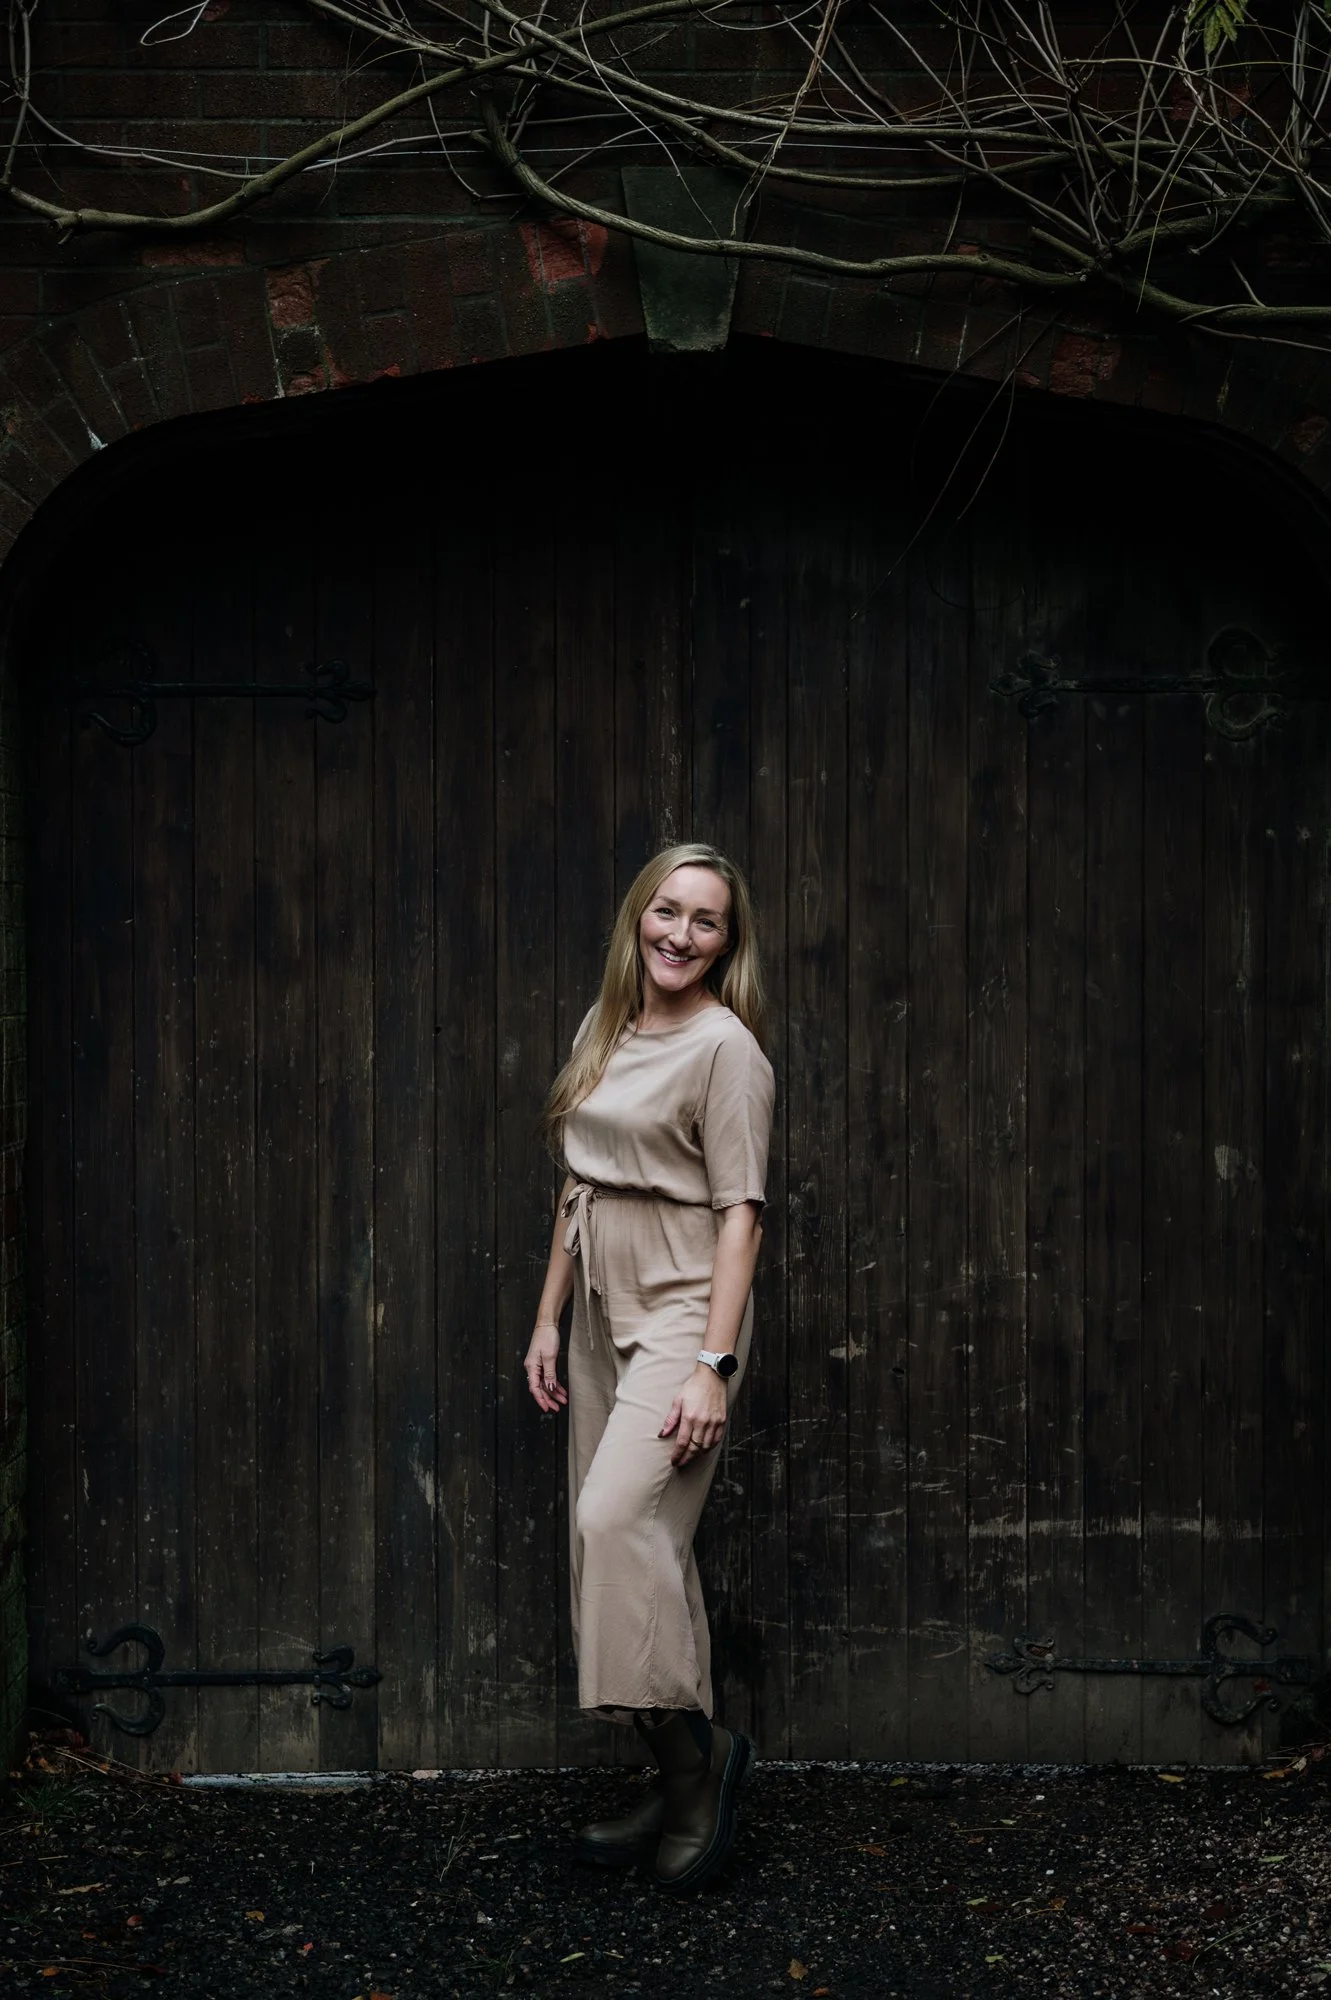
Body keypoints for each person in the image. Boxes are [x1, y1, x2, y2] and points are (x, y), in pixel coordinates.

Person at [524, 841, 775, 1896]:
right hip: (594, 1303)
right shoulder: (604, 1025)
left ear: (728, 941)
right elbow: (576, 1185)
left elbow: (741, 1215)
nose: (678, 933)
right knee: (618, 1552)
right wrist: (544, 1319)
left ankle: (695, 1765)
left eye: (704, 920)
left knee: (615, 1520)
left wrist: (712, 1362)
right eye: (665, 910)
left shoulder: (727, 1050)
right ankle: (674, 1766)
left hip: (681, 1301)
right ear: (638, 914)